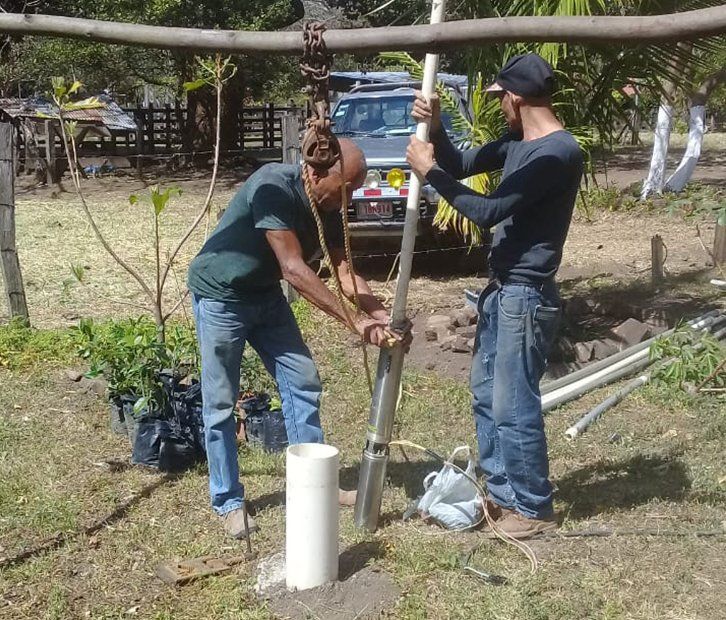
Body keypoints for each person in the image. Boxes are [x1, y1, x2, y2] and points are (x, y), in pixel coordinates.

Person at [406, 53, 584, 539]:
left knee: (512, 402)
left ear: (517, 97)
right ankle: (502, 493)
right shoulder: (518, 142)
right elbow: (463, 164)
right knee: (486, 395)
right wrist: (437, 132)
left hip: (526, 294)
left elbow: (489, 211)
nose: (500, 106)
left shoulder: (557, 153)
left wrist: (429, 174)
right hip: (502, 291)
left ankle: (532, 506)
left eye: (501, 97)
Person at [188, 139, 402, 539]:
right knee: (220, 402)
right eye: (347, 187)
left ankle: (315, 480)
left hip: (263, 294)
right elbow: (293, 269)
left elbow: (344, 275)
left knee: (302, 379)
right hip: (221, 295)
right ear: (317, 172)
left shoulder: (331, 206)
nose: (350, 197)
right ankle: (228, 501)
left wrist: (379, 315)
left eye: (355, 188)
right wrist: (353, 322)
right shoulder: (273, 187)